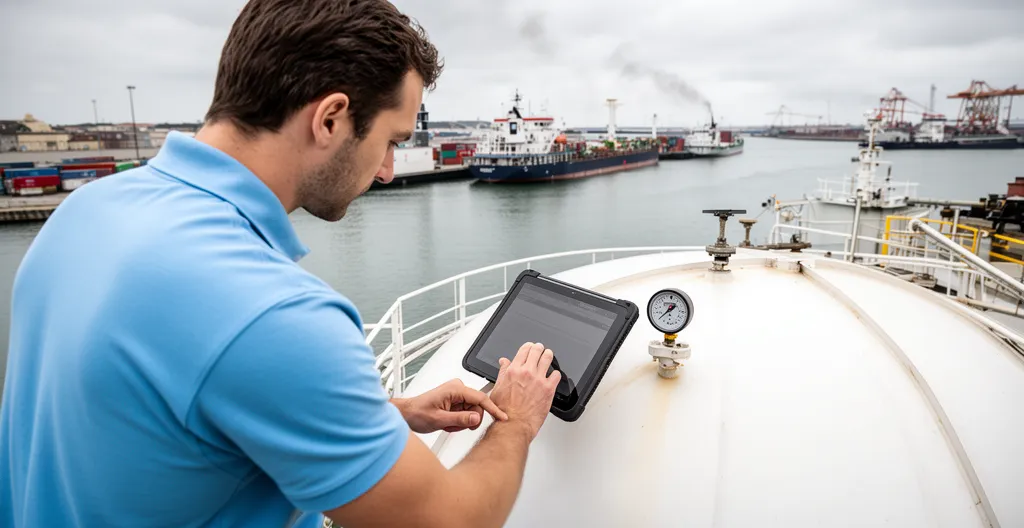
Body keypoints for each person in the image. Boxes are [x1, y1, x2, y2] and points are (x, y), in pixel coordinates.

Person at [0, 1, 561, 527]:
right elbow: (449, 519)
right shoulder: (274, 313)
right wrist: (516, 421)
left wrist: (387, 414)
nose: (389, 170)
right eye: (391, 140)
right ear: (331, 119)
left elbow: (161, 417)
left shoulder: (86, 213)